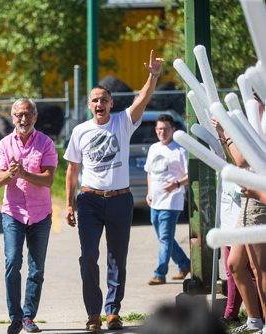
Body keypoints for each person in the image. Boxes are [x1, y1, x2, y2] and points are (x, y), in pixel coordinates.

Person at [64, 50, 164, 331]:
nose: (100, 104)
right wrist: (69, 204)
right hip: (89, 201)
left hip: (121, 200)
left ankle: (112, 312)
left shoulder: (123, 122)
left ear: (111, 103)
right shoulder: (80, 131)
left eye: (104, 100)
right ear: (89, 105)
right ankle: (93, 314)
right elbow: (72, 169)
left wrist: (153, 75)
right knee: (88, 257)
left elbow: (142, 98)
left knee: (117, 258)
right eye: (95, 100)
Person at [0, 98, 57, 334]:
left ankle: (29, 316)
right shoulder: (4, 145)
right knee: (12, 262)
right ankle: (15, 317)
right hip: (13, 213)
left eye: (28, 114)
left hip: (40, 214)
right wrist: (11, 174)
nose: (23, 119)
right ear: (12, 118)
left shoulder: (46, 143)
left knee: (36, 268)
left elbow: (49, 179)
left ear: (35, 117)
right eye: (19, 114)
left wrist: (24, 173)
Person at [212, 114, 266, 334]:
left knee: (259, 268)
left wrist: (225, 134)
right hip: (247, 197)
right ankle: (255, 319)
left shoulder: (259, 118)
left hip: (258, 196)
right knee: (235, 263)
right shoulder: (254, 116)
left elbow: (243, 160)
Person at [144, 114, 190, 285]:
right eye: (159, 129)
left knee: (165, 238)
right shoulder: (154, 148)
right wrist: (149, 192)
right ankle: (185, 264)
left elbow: (190, 174)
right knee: (165, 239)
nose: (162, 132)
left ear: (173, 130)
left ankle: (160, 273)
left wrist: (177, 184)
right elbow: (149, 171)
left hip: (172, 201)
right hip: (155, 200)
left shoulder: (180, 150)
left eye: (165, 129)